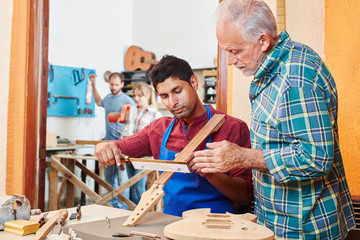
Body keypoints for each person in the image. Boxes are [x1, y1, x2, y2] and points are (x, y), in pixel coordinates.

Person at [187, 0, 356, 239]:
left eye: (235, 51)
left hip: (303, 227)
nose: (229, 61)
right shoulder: (276, 66)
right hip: (279, 220)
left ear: (263, 41)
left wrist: (242, 156)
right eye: (225, 50)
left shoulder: (295, 80)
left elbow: (316, 158)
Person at [94, 55, 253, 217]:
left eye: (177, 91)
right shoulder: (158, 129)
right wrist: (104, 147)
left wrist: (210, 173)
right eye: (164, 96)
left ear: (194, 82)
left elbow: (245, 195)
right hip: (170, 223)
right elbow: (119, 147)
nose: (172, 102)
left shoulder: (233, 128)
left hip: (216, 226)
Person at [90, 72, 136, 209]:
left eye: (116, 84)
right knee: (109, 180)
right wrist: (93, 84)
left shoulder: (128, 101)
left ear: (122, 84)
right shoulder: (108, 99)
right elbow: (98, 102)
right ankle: (113, 208)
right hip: (108, 145)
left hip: (123, 146)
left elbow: (133, 121)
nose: (114, 87)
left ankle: (123, 209)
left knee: (123, 181)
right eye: (111, 84)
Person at [126, 82, 162, 204]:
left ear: (147, 95)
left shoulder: (155, 114)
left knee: (138, 188)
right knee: (130, 186)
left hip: (144, 157)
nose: (136, 99)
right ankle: (131, 213)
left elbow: (158, 138)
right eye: (134, 96)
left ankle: (139, 213)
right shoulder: (133, 112)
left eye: (139, 96)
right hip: (130, 154)